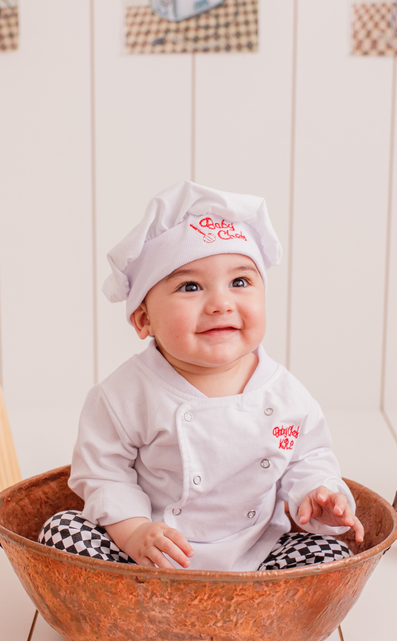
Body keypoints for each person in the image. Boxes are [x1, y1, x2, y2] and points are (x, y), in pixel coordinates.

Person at [40, 181, 363, 572]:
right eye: (190, 286)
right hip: (149, 558)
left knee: (329, 556)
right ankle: (146, 607)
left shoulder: (284, 395)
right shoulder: (124, 395)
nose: (221, 303)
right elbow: (103, 475)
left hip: (258, 554)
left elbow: (307, 458)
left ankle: (254, 607)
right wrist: (135, 532)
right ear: (143, 320)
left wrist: (318, 493)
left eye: (240, 282)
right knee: (62, 530)